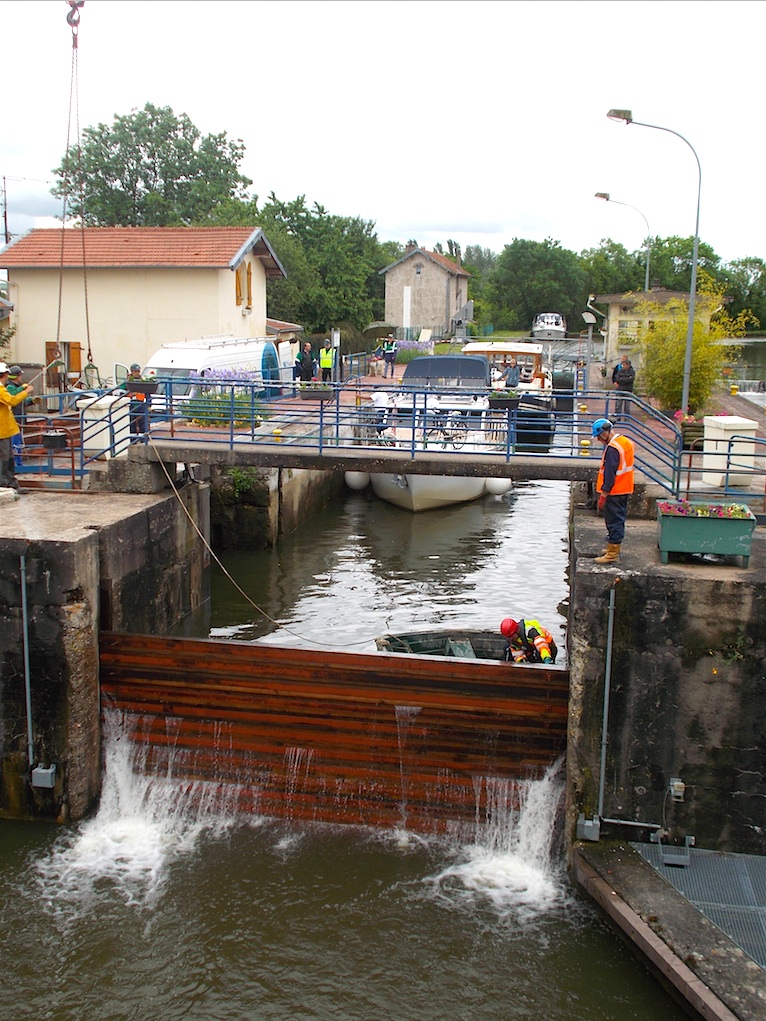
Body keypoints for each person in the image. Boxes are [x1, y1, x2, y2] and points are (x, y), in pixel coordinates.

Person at [592, 417, 635, 564]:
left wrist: (604, 494)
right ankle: (613, 547)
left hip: (615, 491)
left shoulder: (612, 448)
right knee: (619, 519)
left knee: (613, 521)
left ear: (604, 433)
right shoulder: (625, 442)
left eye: (598, 436)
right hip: (625, 488)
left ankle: (612, 554)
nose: (598, 440)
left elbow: (609, 473)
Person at [0, 361, 34, 493]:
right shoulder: (1, 389)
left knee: (8, 458)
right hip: (2, 430)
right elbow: (11, 401)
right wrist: (27, 391)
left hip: (7, 429)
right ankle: (5, 484)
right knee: (5, 458)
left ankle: (10, 484)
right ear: (4, 375)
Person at [6, 365, 31, 469]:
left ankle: (19, 462)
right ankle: (16, 464)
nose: (21, 378)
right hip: (14, 418)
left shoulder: (16, 387)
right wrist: (23, 389)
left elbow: (21, 401)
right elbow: (13, 399)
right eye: (20, 376)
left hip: (19, 417)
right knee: (15, 442)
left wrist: (31, 401)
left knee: (18, 441)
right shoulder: (10, 386)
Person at [120, 362, 149, 437]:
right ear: (131, 372)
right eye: (135, 371)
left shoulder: (143, 381)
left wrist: (149, 404)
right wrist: (126, 394)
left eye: (138, 371)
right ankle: (132, 439)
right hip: (131, 404)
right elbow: (120, 390)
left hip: (141, 403)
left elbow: (148, 392)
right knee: (131, 423)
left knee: (143, 422)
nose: (136, 373)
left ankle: (143, 438)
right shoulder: (128, 382)